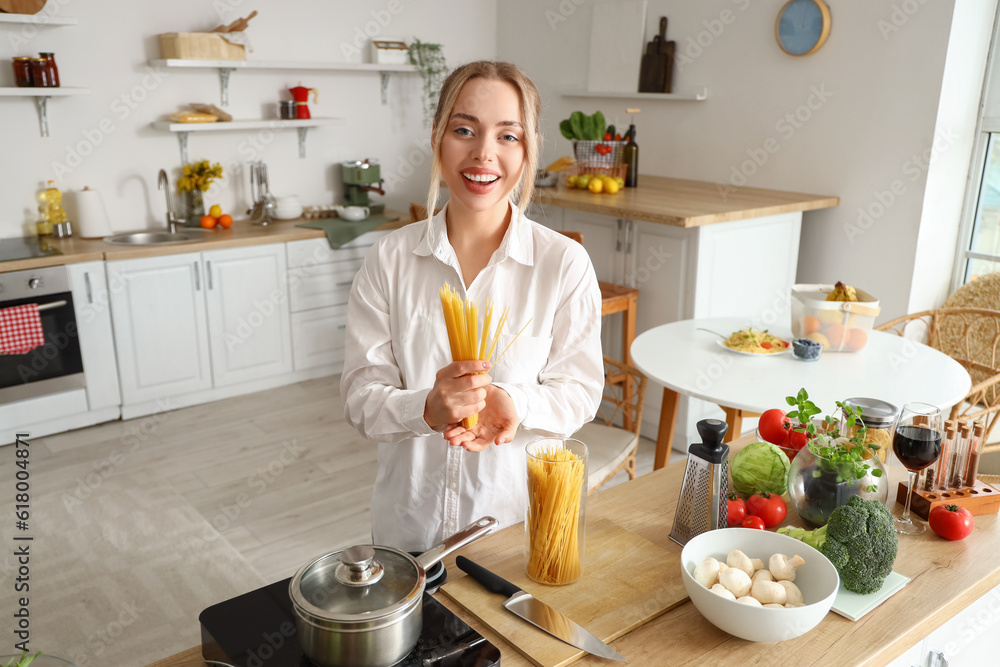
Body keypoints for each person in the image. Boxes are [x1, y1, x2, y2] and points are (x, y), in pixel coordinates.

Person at [341, 60, 603, 551]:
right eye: (465, 129)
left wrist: (516, 403)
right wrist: (424, 408)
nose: (484, 154)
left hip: (515, 532)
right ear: (438, 137)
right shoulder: (391, 258)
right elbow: (360, 398)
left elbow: (582, 391)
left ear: (528, 151)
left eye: (508, 136)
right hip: (408, 531)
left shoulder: (564, 263)